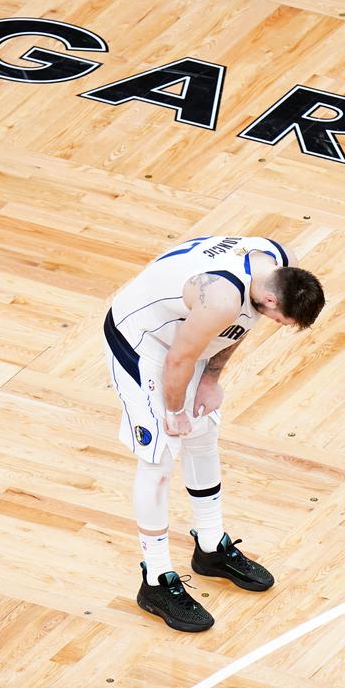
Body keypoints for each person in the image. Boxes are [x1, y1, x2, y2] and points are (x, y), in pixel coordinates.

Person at [103, 235, 325, 632]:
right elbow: (178, 358)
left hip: (188, 338)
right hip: (144, 343)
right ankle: (154, 579)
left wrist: (211, 378)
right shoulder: (219, 298)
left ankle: (210, 547)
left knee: (203, 434)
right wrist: (172, 412)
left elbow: (241, 325)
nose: (274, 325)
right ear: (274, 300)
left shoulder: (277, 262)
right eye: (280, 321)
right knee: (159, 459)